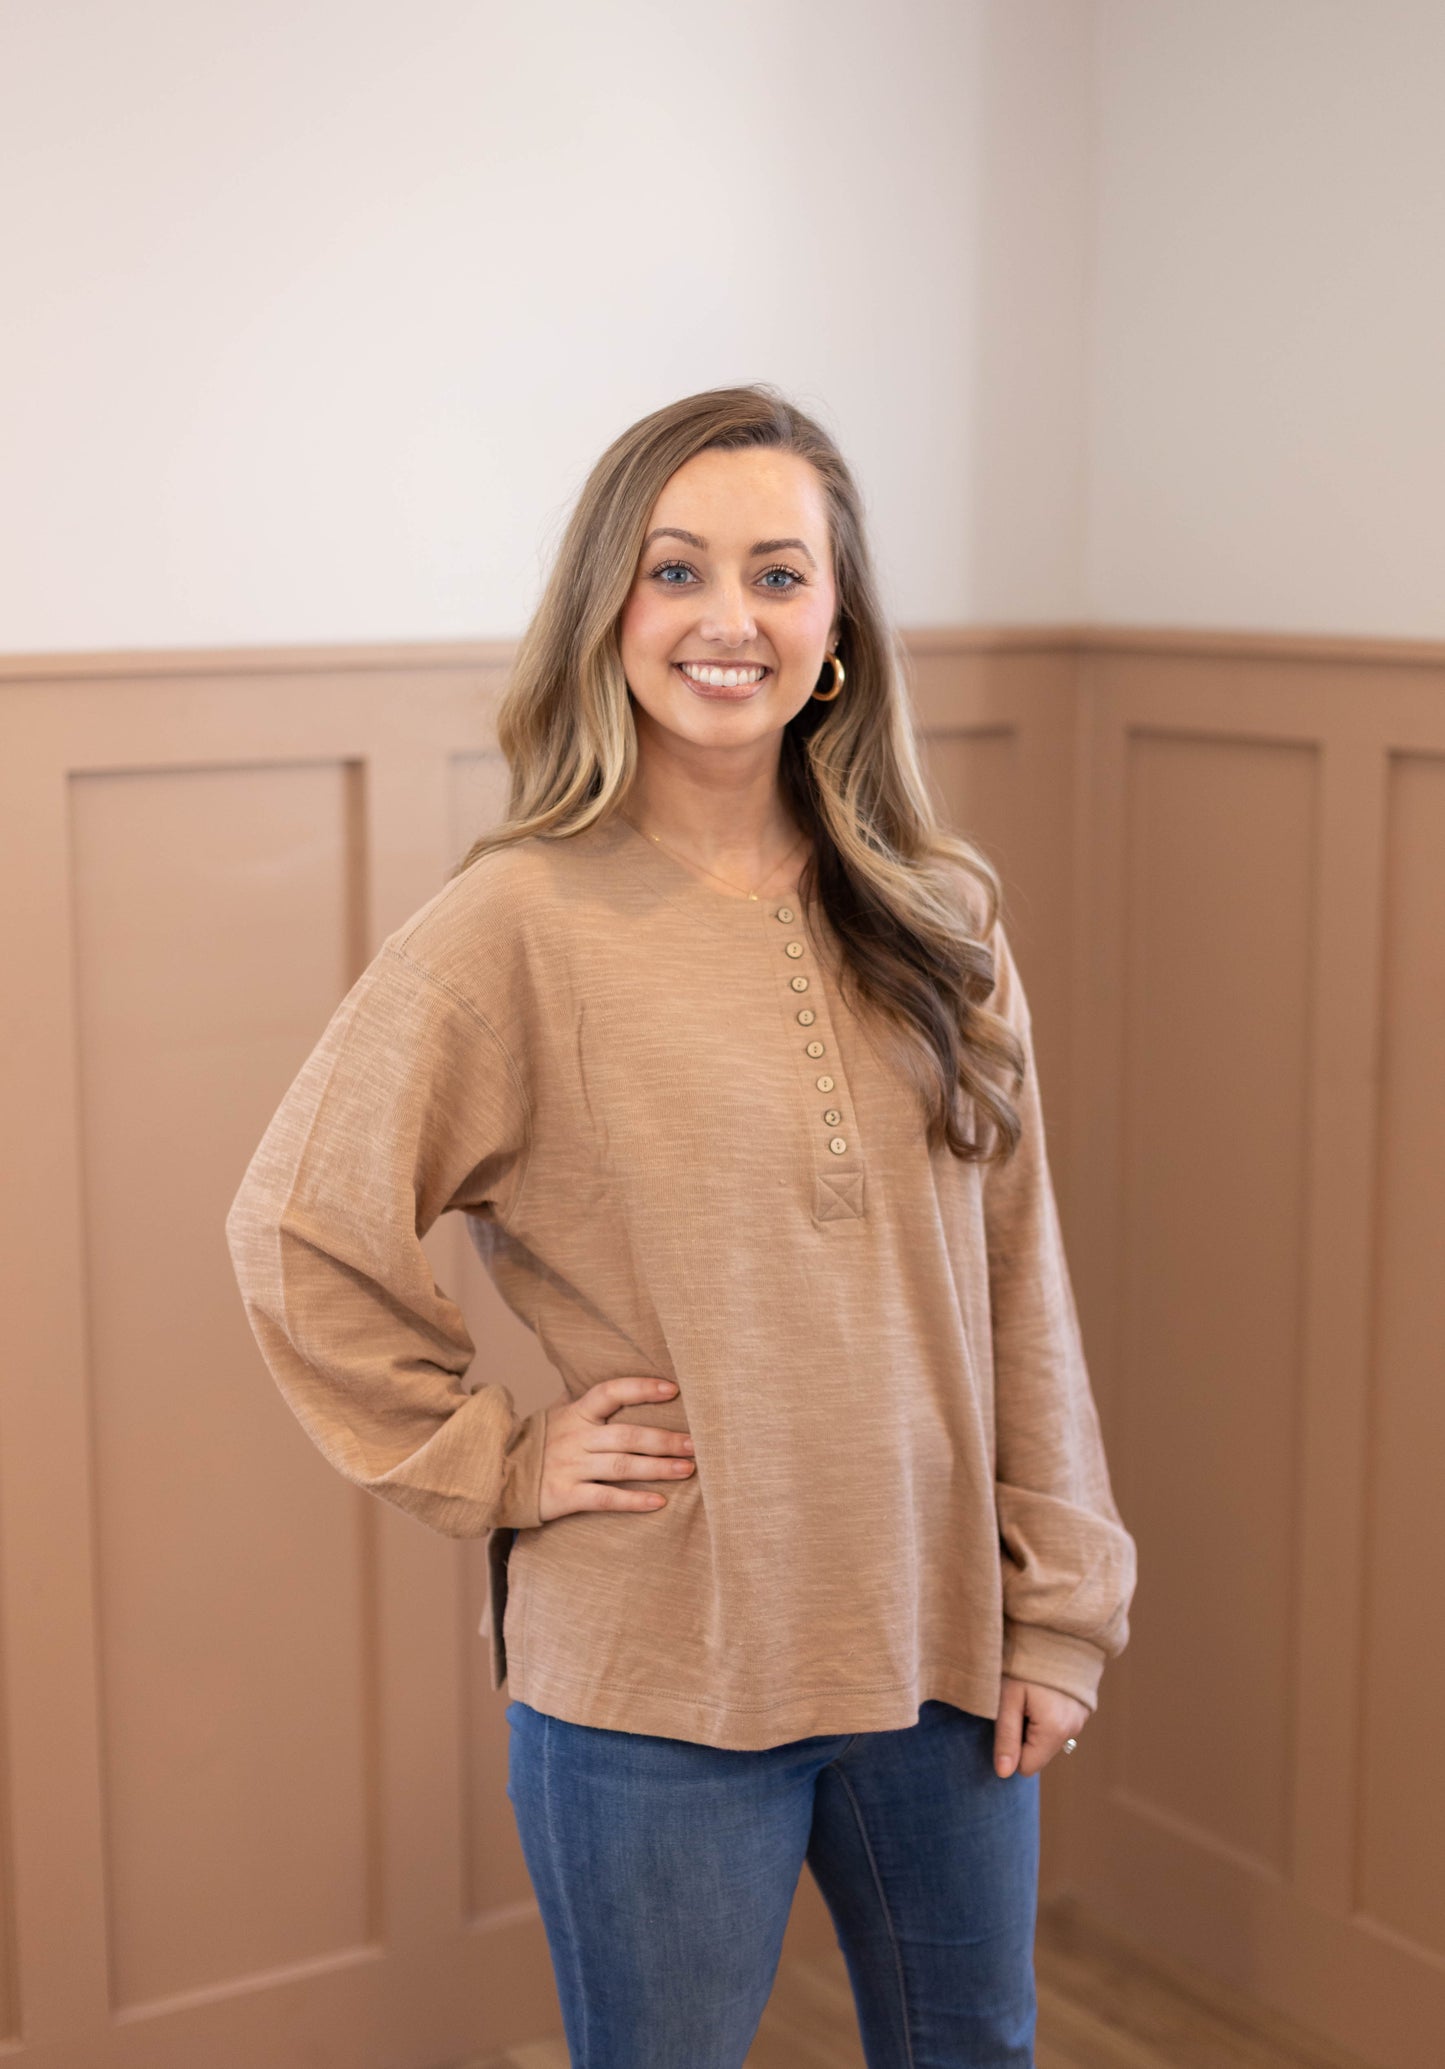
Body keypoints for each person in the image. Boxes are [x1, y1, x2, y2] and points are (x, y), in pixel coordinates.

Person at [225, 382, 1137, 2068]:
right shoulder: (511, 922)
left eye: (780, 574)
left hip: (941, 1649)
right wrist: (496, 1456)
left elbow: (1019, 1267)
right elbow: (298, 1230)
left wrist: (1057, 1599)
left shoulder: (944, 909)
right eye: (677, 570)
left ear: (838, 625)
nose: (731, 619)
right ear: (609, 613)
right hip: (655, 1676)